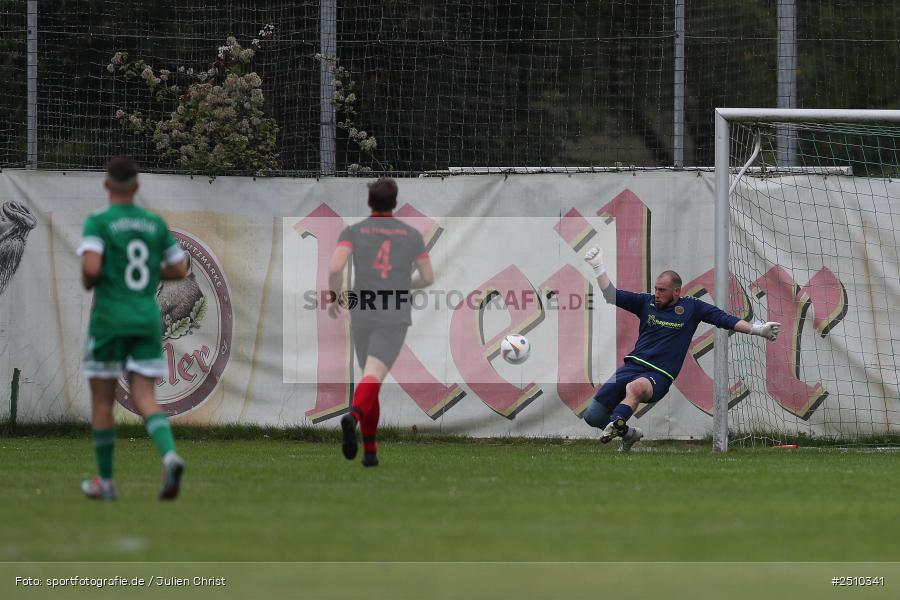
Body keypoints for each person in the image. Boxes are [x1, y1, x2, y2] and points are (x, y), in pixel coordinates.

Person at [581, 246, 781, 451]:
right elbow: (611, 295)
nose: (657, 294)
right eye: (656, 289)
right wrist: (598, 266)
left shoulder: (692, 307)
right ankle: (628, 434)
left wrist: (758, 329)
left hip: (659, 374)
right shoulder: (646, 303)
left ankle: (618, 421)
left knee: (636, 388)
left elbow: (725, 319)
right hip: (632, 366)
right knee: (593, 415)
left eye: (662, 290)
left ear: (677, 291)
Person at [77, 157, 188, 500]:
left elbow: (91, 269)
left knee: (102, 402)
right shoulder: (153, 223)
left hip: (110, 320)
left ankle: (106, 482)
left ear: (106, 185)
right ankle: (169, 457)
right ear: (137, 187)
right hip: (145, 319)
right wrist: (153, 272)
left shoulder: (98, 221)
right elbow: (180, 269)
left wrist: (93, 278)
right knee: (145, 398)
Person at [325, 178, 434, 467]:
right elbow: (427, 277)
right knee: (373, 376)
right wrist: (405, 286)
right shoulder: (411, 235)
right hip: (393, 312)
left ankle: (370, 453)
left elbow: (335, 267)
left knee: (369, 378)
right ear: (394, 203)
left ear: (370, 202)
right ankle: (353, 418)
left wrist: (334, 297)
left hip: (362, 310)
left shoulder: (353, 232)